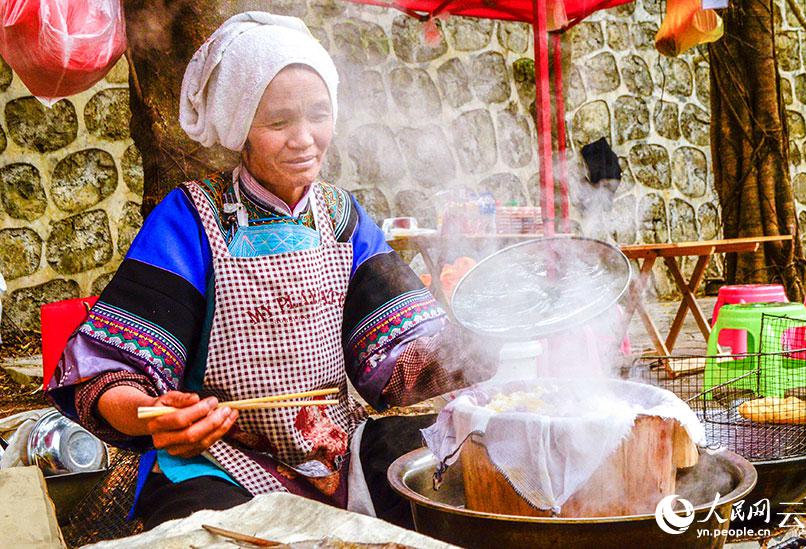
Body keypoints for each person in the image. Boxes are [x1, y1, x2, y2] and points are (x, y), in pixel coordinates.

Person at [47, 12, 495, 531]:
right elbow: (108, 376)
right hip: (216, 460)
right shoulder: (190, 219)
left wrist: (493, 336)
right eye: (279, 122)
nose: (304, 138)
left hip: (336, 454)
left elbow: (397, 368)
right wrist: (158, 416)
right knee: (203, 528)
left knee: (451, 464)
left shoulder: (343, 217)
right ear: (241, 127)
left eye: (318, 114)